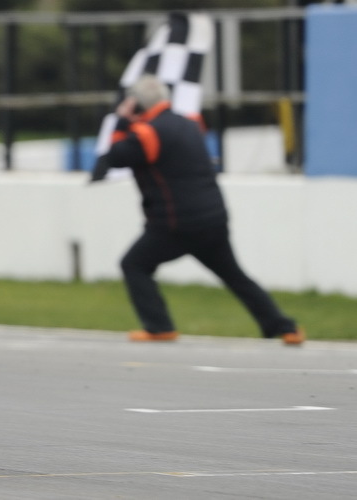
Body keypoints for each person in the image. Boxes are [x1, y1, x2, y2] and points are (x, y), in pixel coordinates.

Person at [90, 74, 305, 345]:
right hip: (213, 216)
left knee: (134, 264)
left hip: (175, 223)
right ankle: (286, 327)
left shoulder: (146, 133)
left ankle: (159, 328)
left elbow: (115, 156)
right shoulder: (191, 123)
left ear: (136, 104)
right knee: (235, 275)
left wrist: (121, 120)